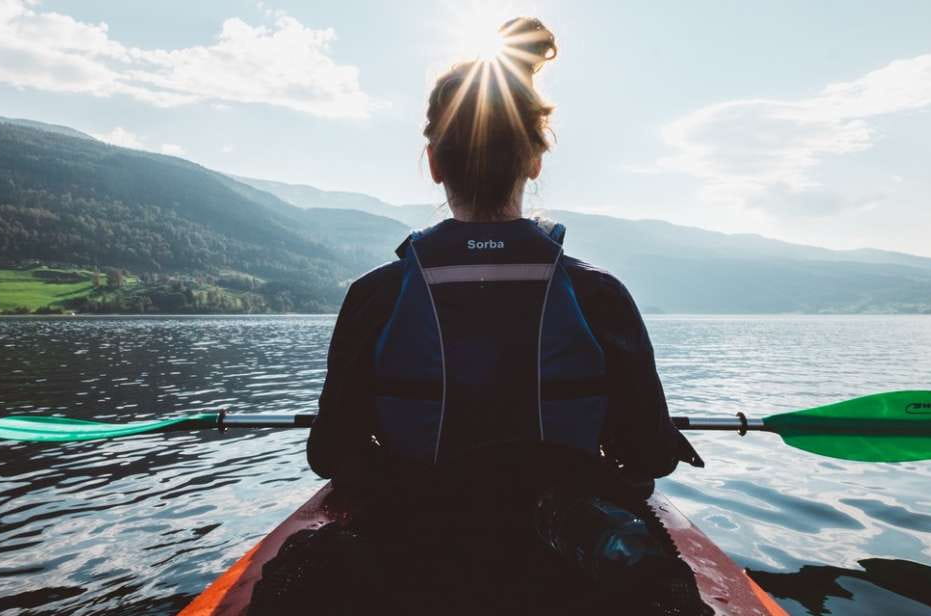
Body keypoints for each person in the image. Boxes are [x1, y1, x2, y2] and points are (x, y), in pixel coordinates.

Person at [293, 17, 707, 615]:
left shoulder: (376, 296)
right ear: (534, 160)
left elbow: (331, 455)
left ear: (434, 162)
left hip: (419, 555)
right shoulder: (599, 295)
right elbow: (650, 456)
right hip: (567, 567)